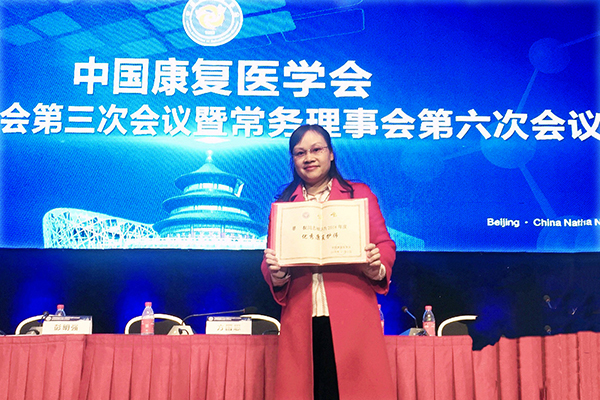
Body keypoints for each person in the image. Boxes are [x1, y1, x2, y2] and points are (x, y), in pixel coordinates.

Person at [261, 124, 396, 400]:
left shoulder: (358, 194)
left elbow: (385, 244)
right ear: (293, 160)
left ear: (331, 154)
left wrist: (376, 265)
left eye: (316, 150)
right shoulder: (284, 204)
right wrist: (275, 272)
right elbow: (271, 256)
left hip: (352, 314)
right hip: (302, 316)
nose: (308, 158)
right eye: (300, 153)